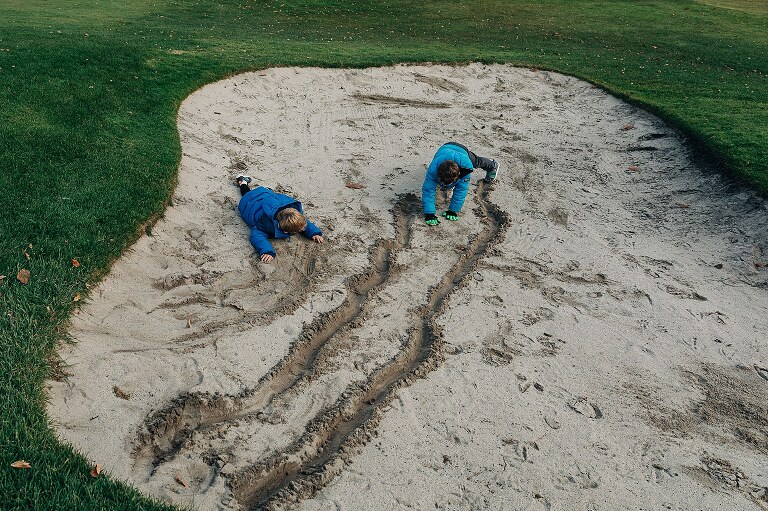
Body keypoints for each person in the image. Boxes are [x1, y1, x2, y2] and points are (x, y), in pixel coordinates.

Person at [235, 175, 324, 262]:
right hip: (249, 202)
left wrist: (314, 232)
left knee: (265, 193)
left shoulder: (292, 212)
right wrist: (267, 251)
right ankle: (243, 182)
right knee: (246, 193)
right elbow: (257, 236)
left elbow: (302, 223)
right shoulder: (265, 224)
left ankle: (263, 190)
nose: (304, 228)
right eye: (299, 230)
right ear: (286, 231)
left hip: (266, 196)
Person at [421, 142, 500, 226]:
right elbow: (428, 191)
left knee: (477, 162)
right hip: (444, 149)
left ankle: (492, 164)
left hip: (462, 151)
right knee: (431, 185)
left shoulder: (464, 171)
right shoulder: (432, 170)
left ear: (458, 175)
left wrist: (453, 210)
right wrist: (429, 214)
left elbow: (461, 191)